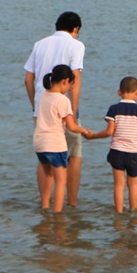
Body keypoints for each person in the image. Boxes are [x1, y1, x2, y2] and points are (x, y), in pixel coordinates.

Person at [24, 12, 85, 206]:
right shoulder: (76, 45)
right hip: (64, 107)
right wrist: (73, 114)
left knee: (45, 160)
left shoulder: (39, 44)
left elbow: (28, 79)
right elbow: (75, 80)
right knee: (74, 156)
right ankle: (71, 203)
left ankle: (45, 204)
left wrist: (35, 105)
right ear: (75, 29)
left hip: (42, 107)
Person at [84, 76, 137, 213]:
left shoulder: (114, 109)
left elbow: (109, 132)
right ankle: (133, 214)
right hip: (134, 152)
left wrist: (93, 136)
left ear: (119, 92)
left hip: (117, 151)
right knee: (133, 185)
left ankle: (119, 214)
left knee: (119, 185)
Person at [33, 65, 92, 212]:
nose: (70, 89)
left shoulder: (43, 95)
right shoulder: (63, 100)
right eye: (71, 86)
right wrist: (84, 130)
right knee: (61, 180)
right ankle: (57, 213)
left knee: (48, 174)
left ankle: (45, 206)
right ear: (65, 81)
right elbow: (71, 126)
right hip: (55, 144)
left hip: (39, 143)